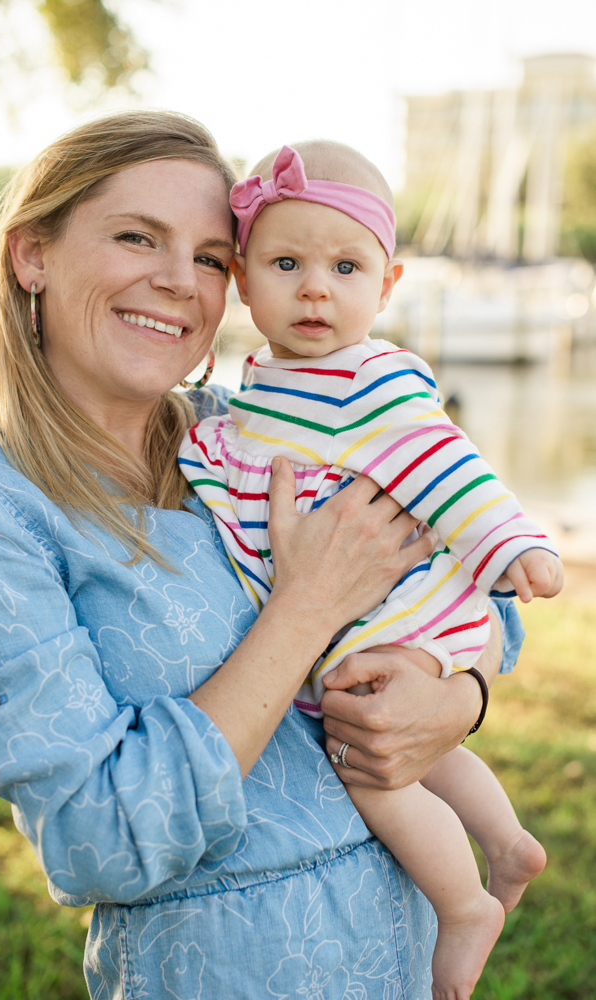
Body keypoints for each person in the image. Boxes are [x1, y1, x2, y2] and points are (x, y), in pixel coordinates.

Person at [0, 111, 524, 1000]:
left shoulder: (247, 438)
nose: (178, 282)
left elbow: (486, 601)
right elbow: (102, 839)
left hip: (401, 953)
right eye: (138, 237)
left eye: (211, 256)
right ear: (32, 256)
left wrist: (454, 698)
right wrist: (309, 607)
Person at [179, 141, 560, 1000]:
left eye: (346, 267)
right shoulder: (270, 382)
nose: (316, 287)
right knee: (407, 745)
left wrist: (514, 543)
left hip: (397, 608)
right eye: (287, 263)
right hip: (372, 609)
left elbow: (448, 465)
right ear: (243, 278)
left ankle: (462, 903)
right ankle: (505, 841)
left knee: (363, 757)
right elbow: (240, 453)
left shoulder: (369, 378)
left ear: (386, 286)